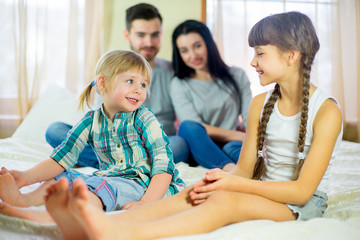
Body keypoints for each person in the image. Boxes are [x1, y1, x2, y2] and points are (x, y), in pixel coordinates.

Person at [0, 11, 343, 239]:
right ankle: (56, 218)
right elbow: (246, 170)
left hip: (301, 206)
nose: (252, 61)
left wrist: (231, 187)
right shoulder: (260, 104)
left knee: (223, 201)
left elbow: (300, 192)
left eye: (260, 53)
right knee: (197, 193)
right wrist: (225, 179)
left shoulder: (326, 111)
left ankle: (117, 233)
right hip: (266, 192)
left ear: (292, 55)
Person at [0, 50, 185, 216]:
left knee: (96, 188)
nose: (138, 89)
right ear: (103, 83)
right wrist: (26, 176)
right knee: (63, 177)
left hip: (144, 185)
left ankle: (77, 215)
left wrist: (146, 203)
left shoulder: (145, 118)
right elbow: (61, 157)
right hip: (109, 178)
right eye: (130, 81)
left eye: (144, 84)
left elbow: (164, 165)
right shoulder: (91, 120)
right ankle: (25, 201)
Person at [45, 3, 188, 169]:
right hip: (113, 145)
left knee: (180, 144)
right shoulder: (112, 70)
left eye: (155, 35)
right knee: (54, 130)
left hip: (155, 145)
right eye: (141, 35)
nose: (148, 42)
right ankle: (128, 165)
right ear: (127, 35)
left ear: (161, 34)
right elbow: (102, 120)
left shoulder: (173, 72)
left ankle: (115, 165)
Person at [170, 20, 252, 172]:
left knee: (234, 149)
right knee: (187, 126)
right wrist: (240, 135)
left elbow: (249, 117)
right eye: (184, 50)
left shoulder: (237, 75)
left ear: (209, 43)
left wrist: (252, 138)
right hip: (200, 145)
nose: (193, 55)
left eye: (197, 46)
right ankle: (230, 169)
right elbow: (196, 127)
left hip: (231, 144)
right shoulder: (179, 84)